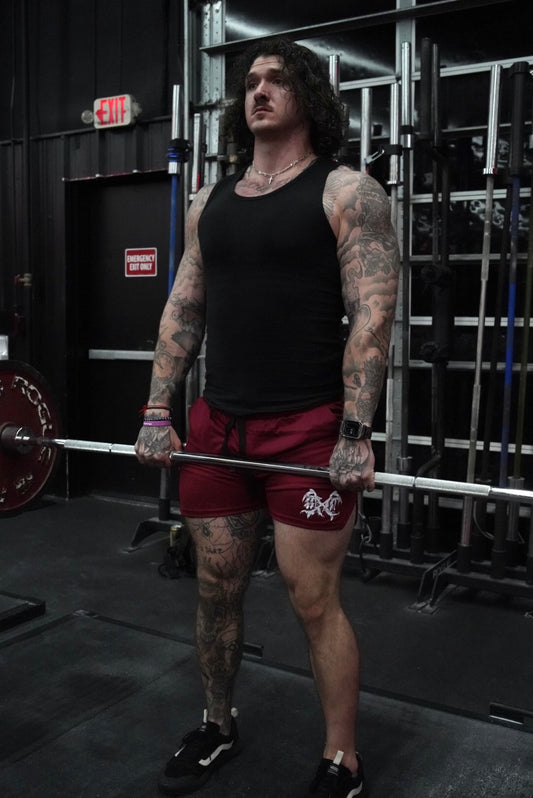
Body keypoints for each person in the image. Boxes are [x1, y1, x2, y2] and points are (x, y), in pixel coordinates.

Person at [135, 37, 400, 798]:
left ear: (308, 97)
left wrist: (354, 430)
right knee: (215, 588)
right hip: (219, 429)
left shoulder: (347, 192)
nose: (257, 91)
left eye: (276, 80)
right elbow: (183, 307)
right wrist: (159, 408)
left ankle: (339, 758)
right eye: (249, 82)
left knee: (311, 595)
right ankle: (218, 725)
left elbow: (371, 317)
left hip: (308, 428)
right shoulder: (207, 202)